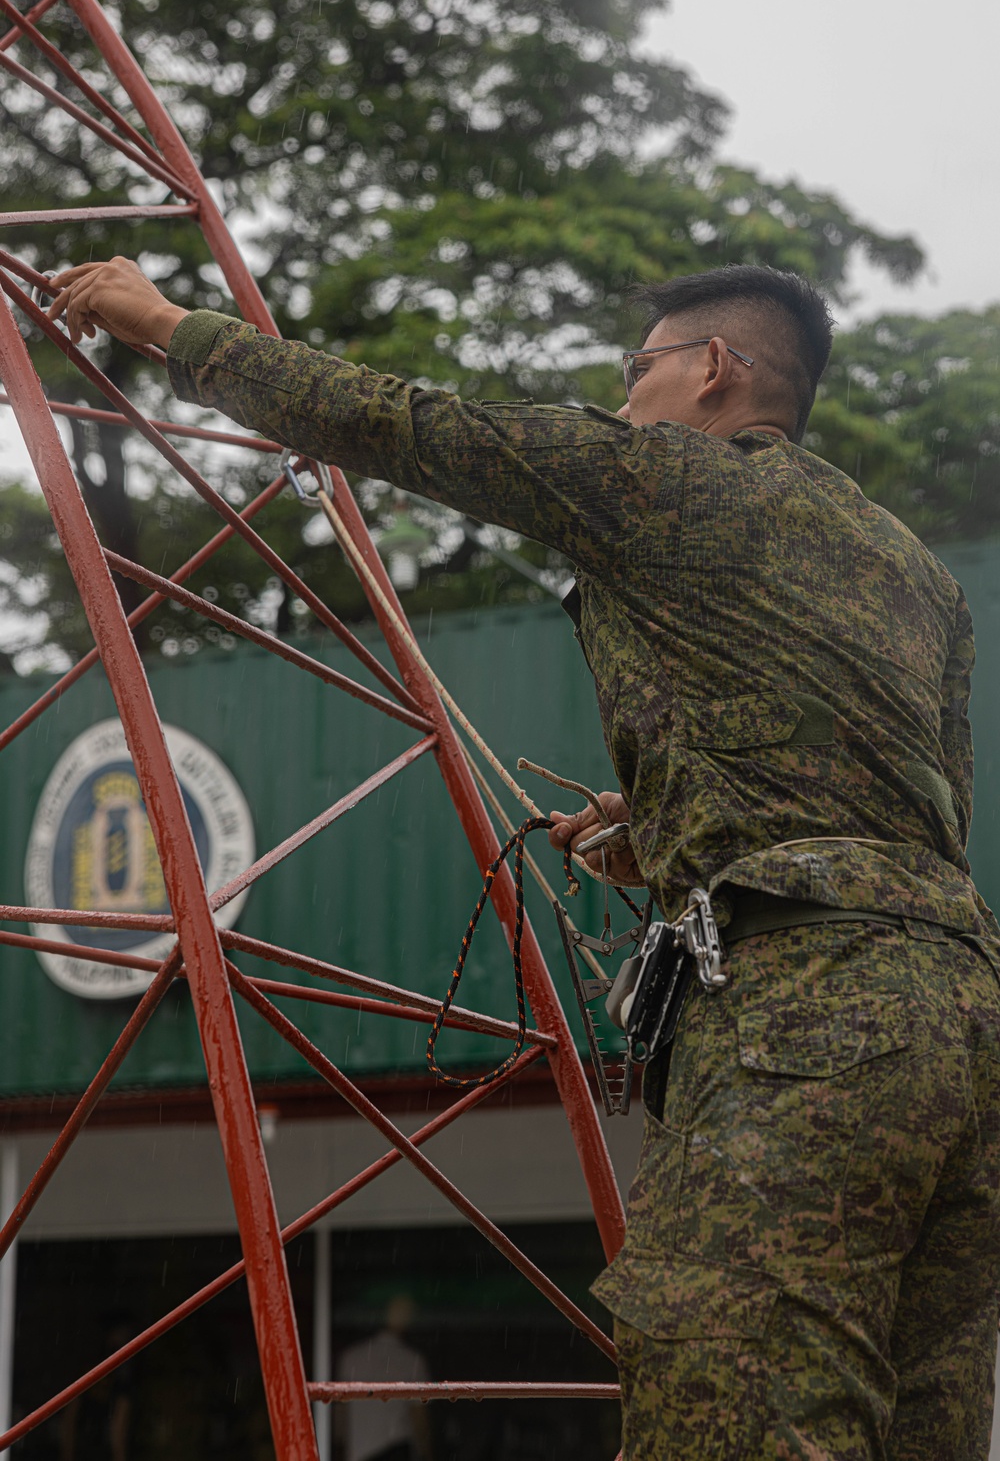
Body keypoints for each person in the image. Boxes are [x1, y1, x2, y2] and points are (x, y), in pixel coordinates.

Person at [48, 257, 1000, 1460]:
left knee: (736, 1409)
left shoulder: (662, 482)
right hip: (962, 1025)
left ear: (711, 370)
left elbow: (403, 422)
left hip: (802, 1021)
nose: (624, 392)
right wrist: (660, 835)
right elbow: (907, 811)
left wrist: (165, 324)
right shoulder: (918, 574)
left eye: (636, 367)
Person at [334, 1295, 433, 1461]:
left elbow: (340, 1420)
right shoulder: (411, 1360)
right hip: (396, 1452)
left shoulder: (350, 1358)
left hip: (360, 1453)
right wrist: (427, 1454)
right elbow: (419, 1418)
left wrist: (340, 1448)